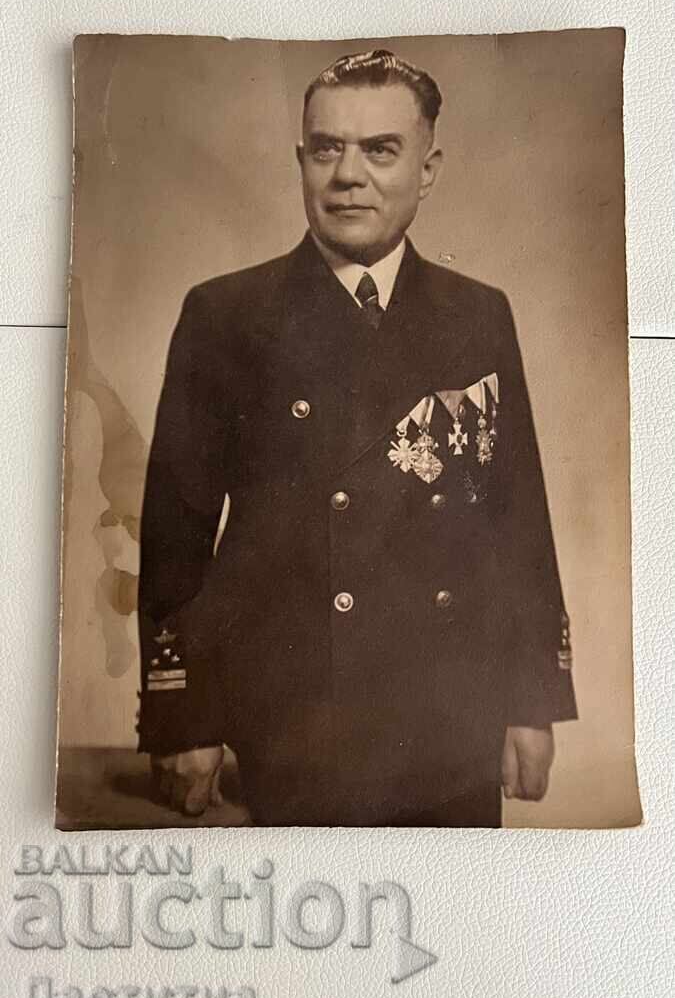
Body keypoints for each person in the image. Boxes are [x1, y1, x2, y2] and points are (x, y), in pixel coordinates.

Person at [137, 49, 577, 827]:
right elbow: (177, 535)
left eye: (380, 149)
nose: (348, 174)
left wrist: (531, 699)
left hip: (448, 716)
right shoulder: (227, 315)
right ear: (301, 160)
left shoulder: (478, 314)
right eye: (326, 148)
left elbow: (516, 520)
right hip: (289, 721)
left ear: (427, 167)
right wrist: (184, 716)